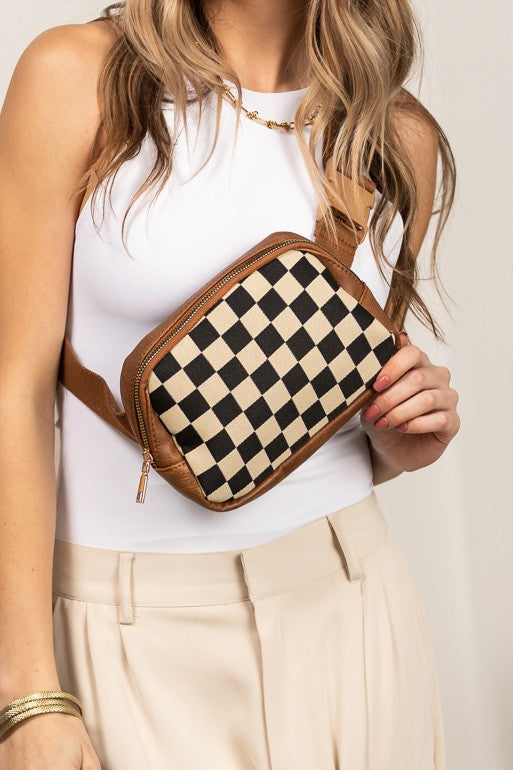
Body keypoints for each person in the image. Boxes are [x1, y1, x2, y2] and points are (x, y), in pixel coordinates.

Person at [0, 1, 460, 768]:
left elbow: (308, 401)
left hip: (349, 597)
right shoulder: (79, 77)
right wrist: (28, 693)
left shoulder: (393, 134)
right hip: (130, 625)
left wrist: (395, 443)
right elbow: (13, 392)